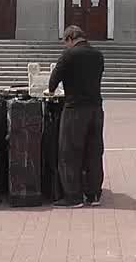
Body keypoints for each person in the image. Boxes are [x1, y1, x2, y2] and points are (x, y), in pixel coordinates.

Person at [45, 25, 105, 208]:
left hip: (75, 109)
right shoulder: (98, 55)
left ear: (70, 38)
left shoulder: (69, 55)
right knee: (94, 152)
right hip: (96, 109)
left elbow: (54, 79)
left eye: (65, 42)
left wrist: (51, 91)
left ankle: (73, 197)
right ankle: (94, 194)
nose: (66, 46)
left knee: (69, 152)